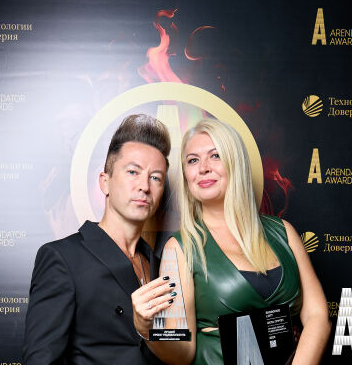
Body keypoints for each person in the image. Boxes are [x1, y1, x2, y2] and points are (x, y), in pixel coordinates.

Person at [132, 118, 330, 364]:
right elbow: (181, 354)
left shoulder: (284, 232)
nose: (203, 168)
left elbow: (317, 316)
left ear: (235, 161)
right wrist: (148, 330)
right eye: (192, 160)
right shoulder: (180, 249)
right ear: (185, 175)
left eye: (215, 156)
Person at [23, 114, 174, 365]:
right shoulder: (63, 258)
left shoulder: (161, 266)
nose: (144, 186)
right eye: (133, 172)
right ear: (105, 182)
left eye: (155, 177)